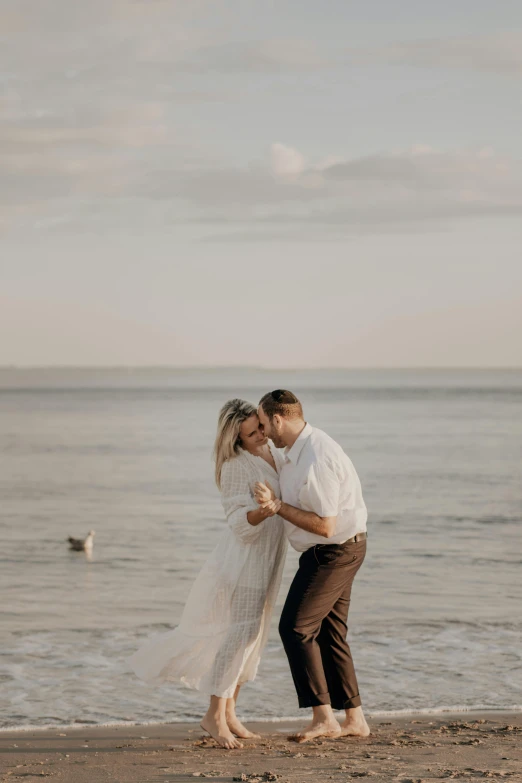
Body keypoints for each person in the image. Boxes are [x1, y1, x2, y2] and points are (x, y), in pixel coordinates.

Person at [129, 399, 287, 749]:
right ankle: (214, 715)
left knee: (253, 636)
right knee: (240, 635)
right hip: (244, 561)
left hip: (270, 559)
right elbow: (236, 524)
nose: (262, 434)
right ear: (236, 439)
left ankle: (230, 712)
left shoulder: (273, 454)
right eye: (252, 433)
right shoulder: (235, 466)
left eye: (260, 426)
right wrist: (263, 510)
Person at [255, 389, 369, 743]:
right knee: (332, 634)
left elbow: (326, 525)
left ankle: (324, 718)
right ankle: (355, 720)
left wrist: (276, 507)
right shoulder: (295, 452)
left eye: (263, 423)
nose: (262, 431)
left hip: (333, 551)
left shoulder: (317, 456)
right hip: (336, 550)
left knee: (295, 628)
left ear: (278, 419)